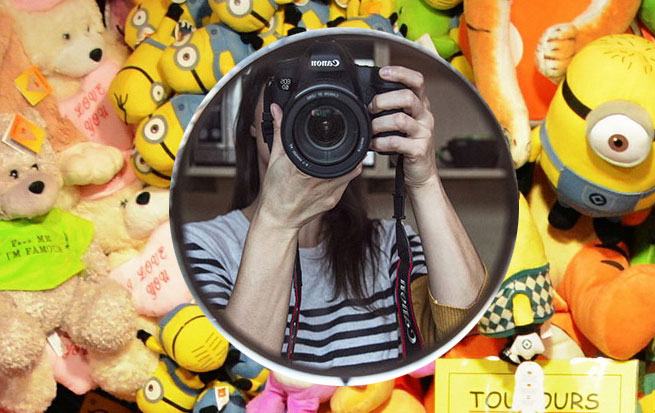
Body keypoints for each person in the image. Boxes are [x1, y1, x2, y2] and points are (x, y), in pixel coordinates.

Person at [182, 64, 487, 370]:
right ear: (252, 119)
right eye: (291, 88)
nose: (314, 107)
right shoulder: (202, 245)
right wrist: (277, 221)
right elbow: (237, 373)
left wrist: (424, 180)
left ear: (363, 114)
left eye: (330, 93)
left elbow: (468, 338)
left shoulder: (390, 245)